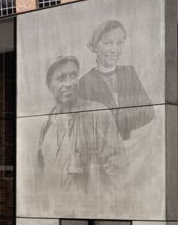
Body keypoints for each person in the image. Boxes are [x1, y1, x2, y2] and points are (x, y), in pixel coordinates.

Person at [34, 55, 118, 192]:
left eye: (73, 75)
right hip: (53, 210)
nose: (69, 83)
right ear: (49, 85)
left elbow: (118, 172)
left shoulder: (98, 113)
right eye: (61, 78)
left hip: (87, 210)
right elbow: (39, 175)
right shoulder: (46, 124)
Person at [75, 19, 155, 137]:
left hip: (134, 145)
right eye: (108, 43)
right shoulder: (85, 82)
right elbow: (88, 124)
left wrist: (113, 121)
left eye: (119, 43)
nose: (114, 49)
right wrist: (128, 117)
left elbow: (148, 112)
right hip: (104, 151)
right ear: (95, 46)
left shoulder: (129, 73)